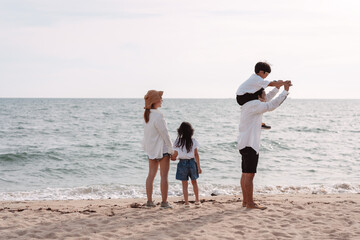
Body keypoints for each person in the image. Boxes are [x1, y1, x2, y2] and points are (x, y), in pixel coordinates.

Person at [237, 81, 292, 210]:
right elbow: (272, 104)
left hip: (243, 143)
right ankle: (250, 203)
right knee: (250, 175)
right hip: (250, 144)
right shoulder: (256, 105)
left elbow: (266, 99)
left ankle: (245, 201)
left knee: (245, 173)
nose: (266, 95)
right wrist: (285, 91)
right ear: (259, 96)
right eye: (264, 94)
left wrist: (277, 88)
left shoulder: (249, 104)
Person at [142, 90, 174, 209]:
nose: (162, 100)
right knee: (164, 176)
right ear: (155, 101)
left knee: (150, 175)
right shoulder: (158, 116)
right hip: (162, 149)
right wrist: (171, 149)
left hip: (151, 149)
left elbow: (147, 135)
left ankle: (149, 201)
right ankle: (164, 202)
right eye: (160, 98)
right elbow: (165, 134)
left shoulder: (147, 115)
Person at [236, 62, 285, 129]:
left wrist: (277, 86)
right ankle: (258, 123)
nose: (266, 76)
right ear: (261, 72)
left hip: (244, 97)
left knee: (263, 95)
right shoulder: (256, 79)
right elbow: (270, 84)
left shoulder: (256, 79)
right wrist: (282, 83)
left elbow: (267, 86)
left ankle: (258, 122)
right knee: (262, 95)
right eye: (266, 74)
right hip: (243, 97)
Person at [171, 122, 202, 208]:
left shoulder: (177, 141)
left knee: (184, 184)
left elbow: (175, 155)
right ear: (191, 131)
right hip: (192, 162)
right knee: (194, 182)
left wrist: (172, 158)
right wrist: (199, 167)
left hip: (182, 163)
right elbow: (196, 154)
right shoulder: (193, 141)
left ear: (180, 131)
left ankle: (187, 203)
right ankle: (197, 201)